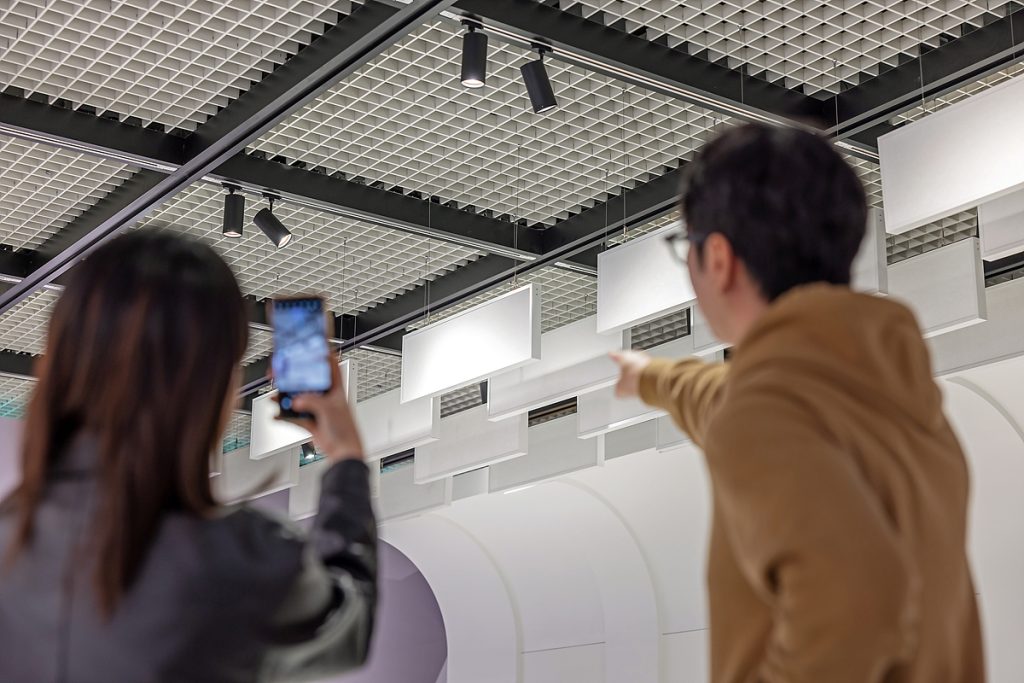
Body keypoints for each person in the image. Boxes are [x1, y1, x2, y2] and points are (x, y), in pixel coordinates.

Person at [612, 123, 984, 683]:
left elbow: (860, 604)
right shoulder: (889, 396)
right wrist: (652, 377)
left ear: (719, 257)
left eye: (686, 248)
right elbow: (727, 399)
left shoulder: (765, 411)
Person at [0, 231, 377, 682]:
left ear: (58, 365)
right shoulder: (248, 560)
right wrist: (346, 458)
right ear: (213, 384)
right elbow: (346, 624)